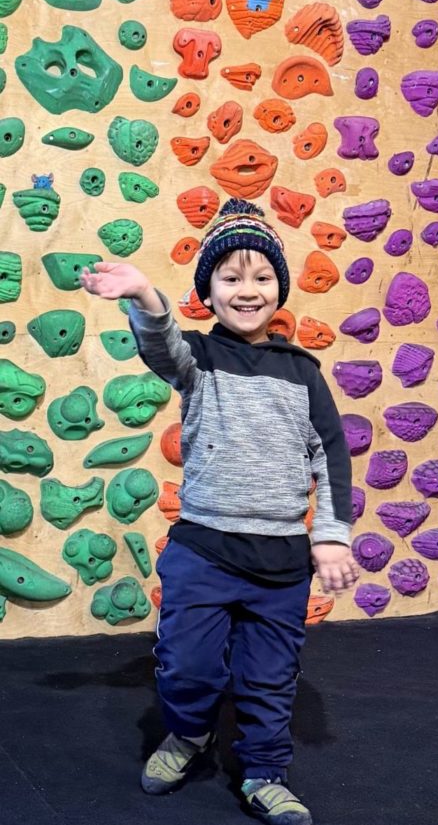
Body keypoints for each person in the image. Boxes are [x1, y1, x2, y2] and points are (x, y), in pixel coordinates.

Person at [80, 198, 358, 825]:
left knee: (269, 678)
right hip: (203, 552)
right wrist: (146, 296)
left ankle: (264, 772)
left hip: (282, 564)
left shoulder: (302, 372)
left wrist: (332, 537)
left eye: (261, 277)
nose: (248, 290)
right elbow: (161, 347)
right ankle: (187, 735)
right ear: (207, 289)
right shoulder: (198, 359)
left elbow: (331, 456)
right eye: (230, 278)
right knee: (187, 666)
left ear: (279, 288)